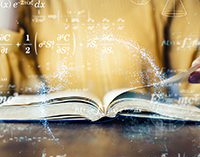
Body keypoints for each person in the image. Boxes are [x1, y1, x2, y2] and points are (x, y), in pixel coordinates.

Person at [0, 0, 200, 100]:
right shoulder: (28, 5)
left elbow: (195, 83)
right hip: (47, 150)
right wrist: (7, 15)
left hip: (146, 147)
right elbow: (4, 90)